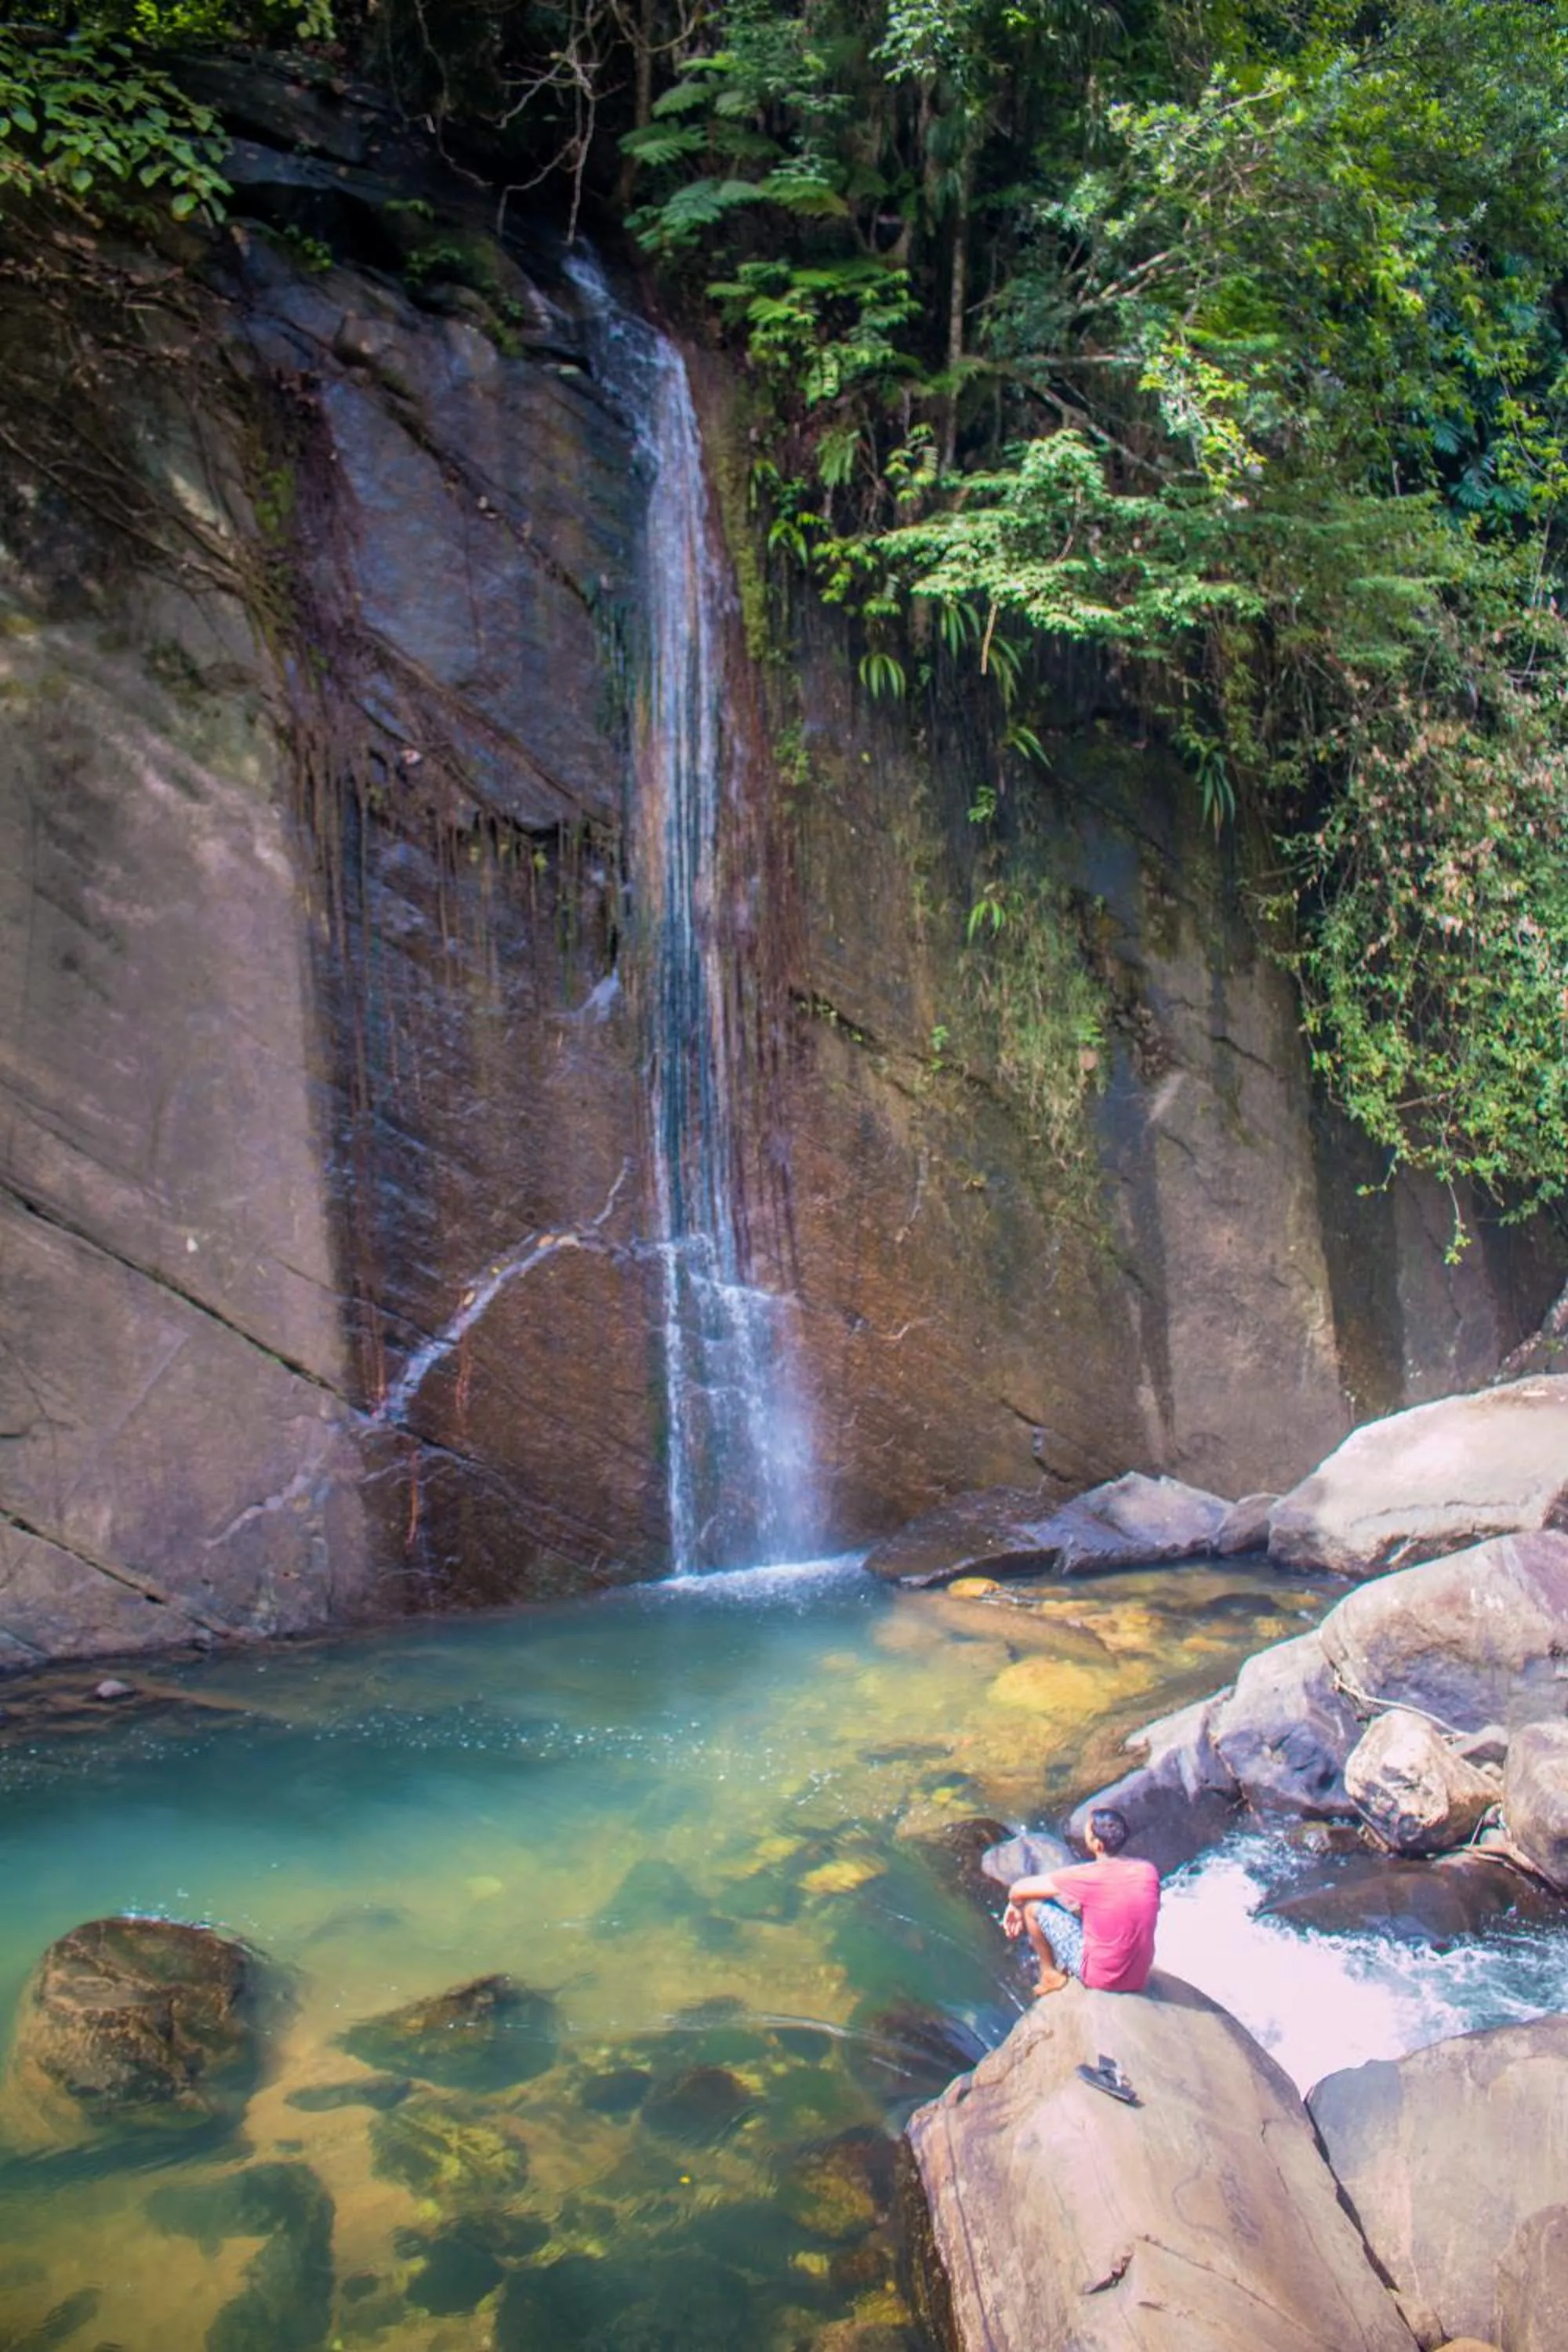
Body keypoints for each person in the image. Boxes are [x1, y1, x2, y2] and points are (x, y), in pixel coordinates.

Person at [1002, 1808, 1159, 1997]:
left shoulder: (1087, 1876)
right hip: (1139, 1976)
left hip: (1102, 1978)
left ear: (1097, 1845)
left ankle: (1049, 1975)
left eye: (1088, 1830)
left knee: (1032, 1906)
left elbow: (1018, 1889)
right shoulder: (1147, 1871)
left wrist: (1015, 1905)